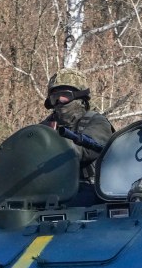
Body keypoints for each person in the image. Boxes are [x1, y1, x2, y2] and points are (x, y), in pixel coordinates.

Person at [40, 68, 114, 204]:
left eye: (65, 96)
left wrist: (52, 149)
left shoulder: (97, 122)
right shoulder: (45, 127)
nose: (59, 101)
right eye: (55, 97)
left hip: (91, 190)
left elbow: (85, 150)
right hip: (51, 191)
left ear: (80, 97)